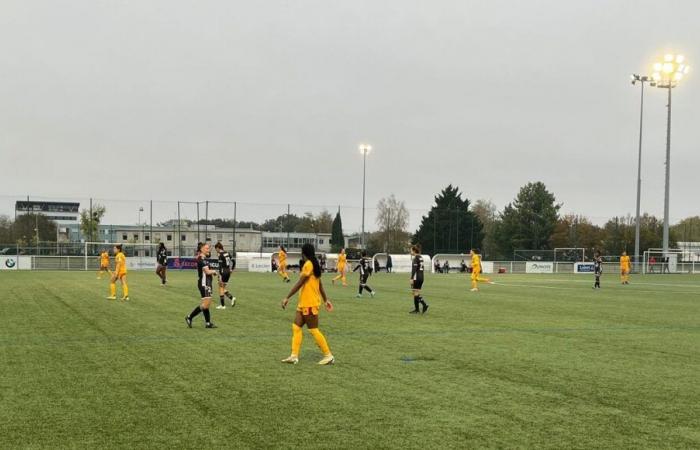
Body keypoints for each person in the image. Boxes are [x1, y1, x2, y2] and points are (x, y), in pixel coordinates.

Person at [280, 243, 334, 365]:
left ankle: (328, 355)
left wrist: (287, 297)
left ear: (303, 253)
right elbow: (320, 285)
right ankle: (294, 355)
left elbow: (300, 283)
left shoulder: (309, 265)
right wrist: (326, 300)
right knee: (296, 327)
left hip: (310, 303)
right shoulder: (313, 264)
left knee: (314, 330)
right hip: (303, 303)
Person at [185, 242, 218, 328]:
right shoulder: (202, 259)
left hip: (205, 283)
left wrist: (211, 273)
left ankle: (208, 323)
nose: (208, 250)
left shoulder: (203, 258)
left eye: (208, 248)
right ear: (202, 249)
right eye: (207, 248)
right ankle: (189, 317)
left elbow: (206, 271)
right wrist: (214, 271)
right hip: (205, 284)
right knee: (206, 304)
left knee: (206, 304)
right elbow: (207, 272)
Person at [214, 242, 236, 309]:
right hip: (228, 271)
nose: (216, 251)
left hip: (223, 272)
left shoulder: (220, 255)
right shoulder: (227, 253)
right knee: (223, 287)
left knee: (220, 288)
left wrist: (220, 275)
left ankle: (223, 306)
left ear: (218, 248)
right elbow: (234, 261)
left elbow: (220, 267)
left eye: (216, 249)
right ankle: (232, 298)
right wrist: (232, 269)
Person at [409, 245, 428, 314]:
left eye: (411, 250)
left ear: (414, 251)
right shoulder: (421, 257)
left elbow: (414, 269)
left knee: (415, 293)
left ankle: (424, 304)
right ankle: (417, 310)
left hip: (416, 277)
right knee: (416, 293)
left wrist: (411, 278)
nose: (410, 252)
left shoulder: (415, 258)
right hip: (421, 277)